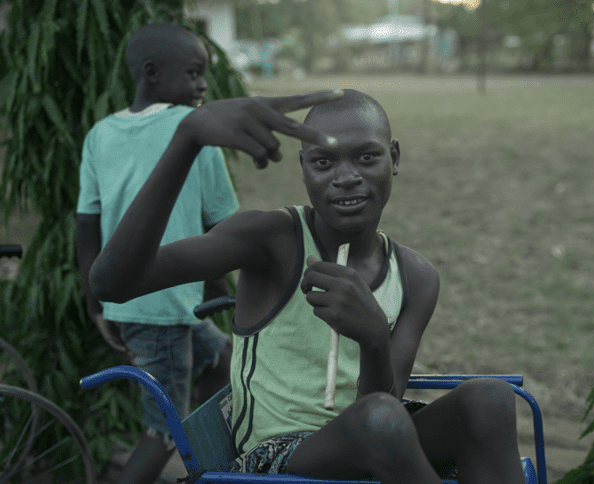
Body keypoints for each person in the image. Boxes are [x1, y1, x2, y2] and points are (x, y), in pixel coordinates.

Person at [89, 88, 526, 484]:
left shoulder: (415, 276)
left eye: (366, 157)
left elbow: (383, 401)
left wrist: (374, 338)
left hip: (375, 432)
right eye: (323, 161)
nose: (346, 176)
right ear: (303, 169)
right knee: (379, 421)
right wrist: (186, 141)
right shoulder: (272, 241)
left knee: (490, 398)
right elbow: (113, 283)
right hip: (277, 455)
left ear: (394, 157)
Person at [75, 23, 238, 484]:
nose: (203, 85)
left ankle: (209, 466)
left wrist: (95, 299)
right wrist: (230, 288)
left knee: (221, 360)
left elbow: (86, 225)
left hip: (138, 300)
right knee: (162, 432)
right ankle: (188, 465)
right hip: (166, 307)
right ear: (151, 74)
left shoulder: (100, 134)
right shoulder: (195, 130)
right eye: (193, 73)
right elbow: (224, 225)